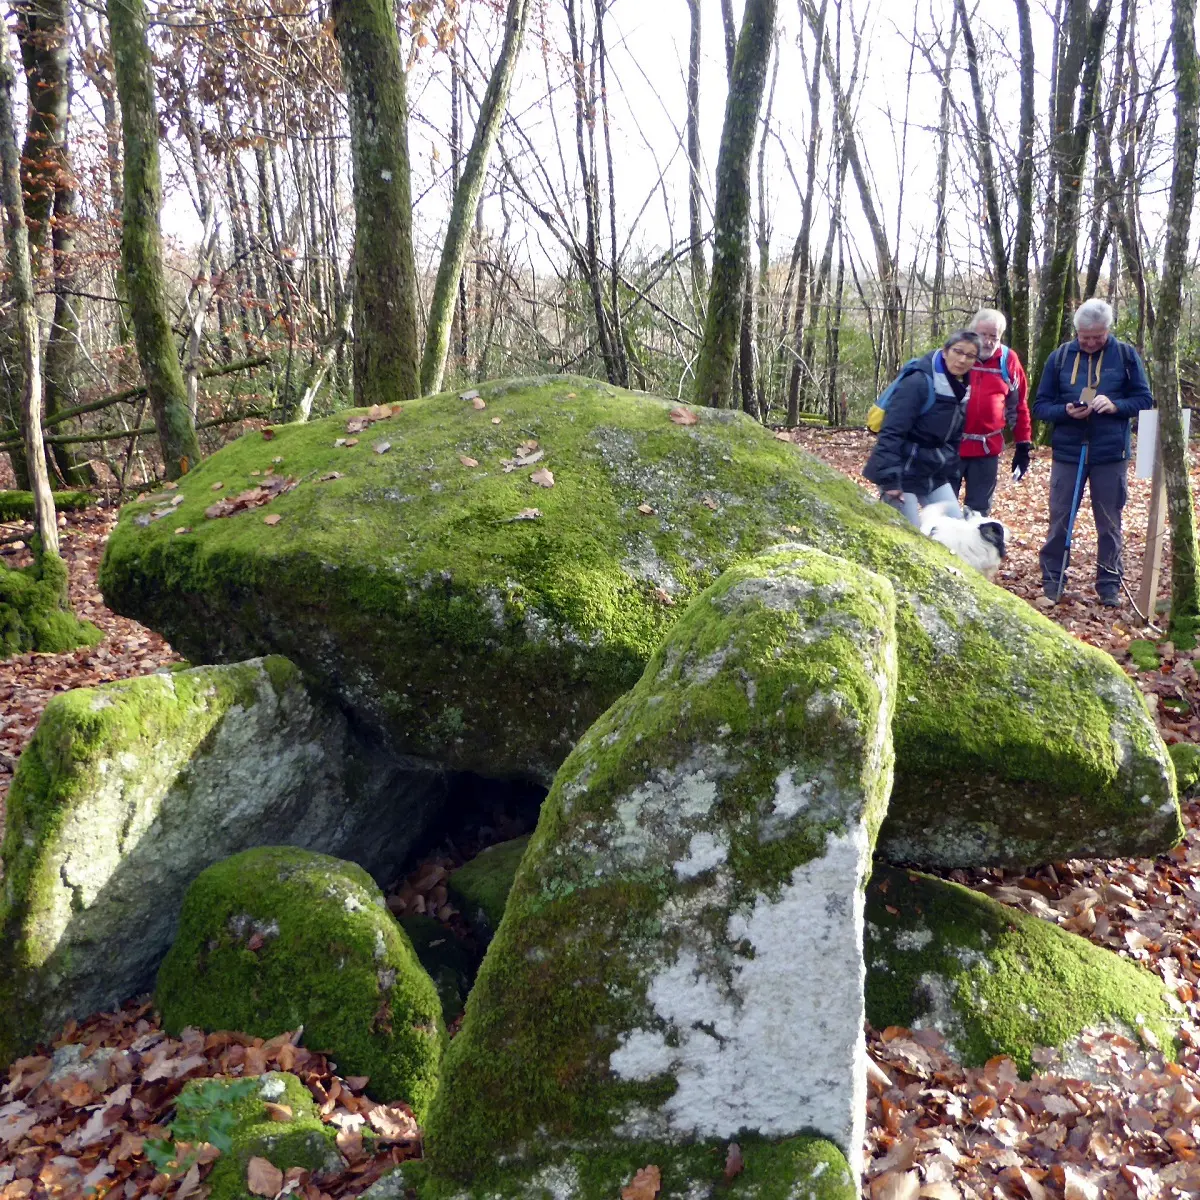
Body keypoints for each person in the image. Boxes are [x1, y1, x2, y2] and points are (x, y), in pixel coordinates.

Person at [1034, 298, 1153, 606]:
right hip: (1068, 452)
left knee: (1109, 523)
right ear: (1076, 331)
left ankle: (1109, 585)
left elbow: (1144, 399)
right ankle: (1052, 581)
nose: (1089, 343)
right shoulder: (1060, 357)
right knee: (1060, 519)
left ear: (1108, 330)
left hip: (1110, 452)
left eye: (1097, 337)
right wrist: (1065, 411)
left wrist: (1116, 406)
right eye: (1084, 337)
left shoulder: (1125, 355)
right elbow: (1040, 406)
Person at [863, 330, 981, 526]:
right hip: (900, 470)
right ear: (945, 351)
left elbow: (953, 438)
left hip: (932, 471)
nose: (962, 360)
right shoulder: (918, 381)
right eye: (958, 351)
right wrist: (890, 480)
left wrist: (949, 469)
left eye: (970, 356)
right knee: (908, 533)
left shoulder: (962, 388)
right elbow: (891, 431)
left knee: (955, 529)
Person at [955, 308, 1033, 515]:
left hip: (986, 449)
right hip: (952, 447)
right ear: (973, 333)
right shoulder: (957, 356)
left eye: (994, 337)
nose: (988, 342)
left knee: (978, 513)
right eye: (983, 335)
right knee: (944, 509)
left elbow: (1019, 405)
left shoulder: (1008, 360)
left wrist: (1023, 446)